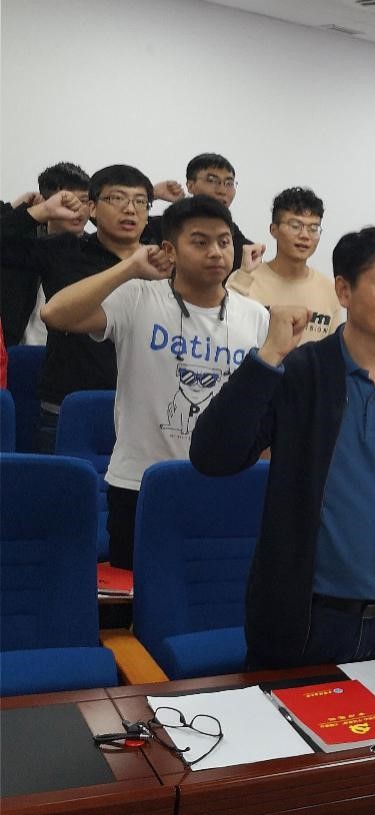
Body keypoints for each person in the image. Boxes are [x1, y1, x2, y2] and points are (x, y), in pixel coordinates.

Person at [190, 226, 375, 681]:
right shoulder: (301, 372)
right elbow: (213, 456)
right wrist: (268, 356)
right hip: (301, 620)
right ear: (344, 291)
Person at [40, 196, 270, 569]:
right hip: (139, 484)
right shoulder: (138, 298)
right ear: (169, 250)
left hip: (223, 483)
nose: (215, 252)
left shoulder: (256, 316)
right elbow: (55, 313)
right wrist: (129, 267)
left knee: (214, 587)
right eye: (200, 242)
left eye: (224, 241)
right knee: (137, 594)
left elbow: (263, 408)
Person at [1, 164, 153, 451]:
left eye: (140, 201)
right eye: (117, 198)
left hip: (147, 411)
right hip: (67, 407)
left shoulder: (162, 261)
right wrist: (40, 212)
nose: (130, 209)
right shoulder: (63, 249)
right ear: (91, 208)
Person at [227, 187, 342, 344]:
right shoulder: (245, 279)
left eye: (313, 228)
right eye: (295, 226)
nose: (305, 235)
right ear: (273, 230)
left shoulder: (329, 289)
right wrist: (243, 276)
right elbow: (223, 327)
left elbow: (332, 348)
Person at [1, 162, 92, 347]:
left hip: (69, 355)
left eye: (83, 201)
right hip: (14, 351)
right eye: (67, 201)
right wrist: (21, 209)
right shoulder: (19, 244)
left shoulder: (94, 249)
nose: (77, 209)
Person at [147, 153, 256, 271]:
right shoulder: (164, 226)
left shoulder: (243, 247)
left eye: (229, 183)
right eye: (212, 181)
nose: (222, 190)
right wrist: (151, 194)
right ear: (190, 185)